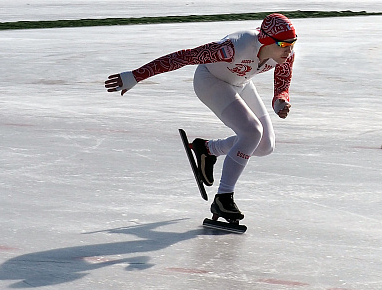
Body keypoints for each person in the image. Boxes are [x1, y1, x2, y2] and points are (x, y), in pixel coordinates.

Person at [105, 13, 296, 222]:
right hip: (211, 82)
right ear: (266, 40)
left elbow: (282, 84)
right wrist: (135, 75)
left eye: (293, 43)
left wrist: (280, 100)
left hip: (240, 83)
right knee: (252, 132)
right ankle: (224, 197)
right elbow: (183, 57)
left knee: (265, 145)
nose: (289, 50)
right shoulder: (232, 48)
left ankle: (207, 149)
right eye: (284, 44)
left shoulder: (285, 54)